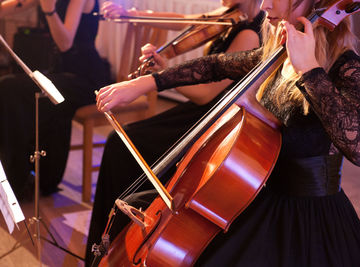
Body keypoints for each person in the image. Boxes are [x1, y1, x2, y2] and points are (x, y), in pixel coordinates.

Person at [96, 0, 360, 265]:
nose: (265, 5)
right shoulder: (278, 56)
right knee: (134, 205)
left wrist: (310, 71)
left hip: (305, 220)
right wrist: (146, 83)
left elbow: (356, 148)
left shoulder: (346, 68)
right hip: (252, 193)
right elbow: (216, 66)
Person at [85, 0, 264, 265]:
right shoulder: (231, 16)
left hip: (209, 120)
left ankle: (113, 242)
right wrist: (131, 14)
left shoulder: (249, 34)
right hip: (197, 112)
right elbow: (180, 19)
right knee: (118, 142)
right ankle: (107, 242)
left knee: (120, 144)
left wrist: (163, 73)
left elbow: (205, 95)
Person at [0, 0, 111, 202]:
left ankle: (15, 178)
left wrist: (49, 10)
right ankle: (0, 178)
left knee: (10, 89)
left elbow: (65, 43)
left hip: (85, 78)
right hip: (60, 73)